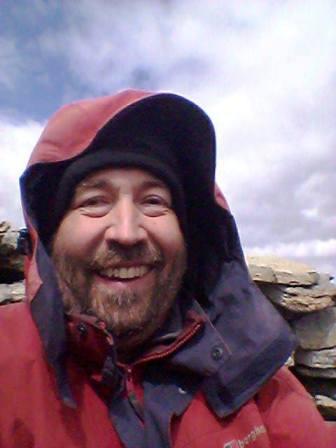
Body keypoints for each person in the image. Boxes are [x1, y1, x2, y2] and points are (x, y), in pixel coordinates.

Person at [0, 90, 333, 447]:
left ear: (187, 235)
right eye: (94, 202)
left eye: (154, 202)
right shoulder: (9, 362)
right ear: (50, 237)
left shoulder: (254, 374)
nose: (127, 233)